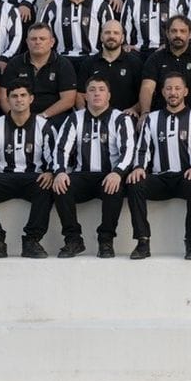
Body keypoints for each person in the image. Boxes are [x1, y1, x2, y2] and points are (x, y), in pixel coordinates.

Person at [125, 71, 191, 259]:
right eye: (169, 89)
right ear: (162, 92)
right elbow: (143, 149)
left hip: (186, 176)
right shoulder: (151, 119)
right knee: (134, 183)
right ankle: (142, 241)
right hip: (160, 178)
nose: (173, 92)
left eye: (177, 88)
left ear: (186, 92)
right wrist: (139, 167)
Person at [0, 79, 59, 259]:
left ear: (31, 99)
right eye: (14, 96)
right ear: (8, 100)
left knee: (49, 185)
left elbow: (54, 156)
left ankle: (32, 241)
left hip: (34, 177)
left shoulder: (44, 126)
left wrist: (50, 171)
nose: (19, 100)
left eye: (23, 95)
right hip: (4, 177)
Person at [51, 75, 135, 258]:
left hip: (109, 175)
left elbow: (128, 150)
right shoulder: (75, 118)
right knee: (60, 186)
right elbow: (61, 148)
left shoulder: (120, 118)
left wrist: (118, 172)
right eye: (92, 90)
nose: (97, 93)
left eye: (101, 90)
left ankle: (106, 241)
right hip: (83, 175)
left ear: (109, 96)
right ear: (85, 96)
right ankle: (73, 239)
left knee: (115, 187)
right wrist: (59, 172)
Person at [137, 14, 191, 114]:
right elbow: (147, 88)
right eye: (174, 31)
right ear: (167, 33)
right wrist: (145, 113)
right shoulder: (155, 58)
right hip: (160, 117)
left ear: (190, 34)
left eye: (183, 31)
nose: (178, 35)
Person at [0, 24, 76, 122]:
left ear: (52, 42)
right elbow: (4, 97)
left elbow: (68, 100)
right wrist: (16, 117)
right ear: (27, 42)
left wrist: (42, 117)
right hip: (18, 118)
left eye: (42, 39)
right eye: (33, 39)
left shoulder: (63, 64)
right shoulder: (15, 64)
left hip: (53, 118)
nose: (38, 42)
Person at [43, 0, 107, 63]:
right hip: (61, 61)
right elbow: (43, 37)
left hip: (93, 61)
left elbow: (108, 36)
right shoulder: (53, 7)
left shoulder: (101, 6)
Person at [76, 20, 144, 117]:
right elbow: (80, 93)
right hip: (94, 118)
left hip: (125, 117)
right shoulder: (89, 63)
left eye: (116, 33)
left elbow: (144, 94)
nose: (111, 36)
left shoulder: (134, 63)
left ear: (122, 38)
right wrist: (83, 113)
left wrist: (134, 109)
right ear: (101, 37)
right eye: (107, 32)